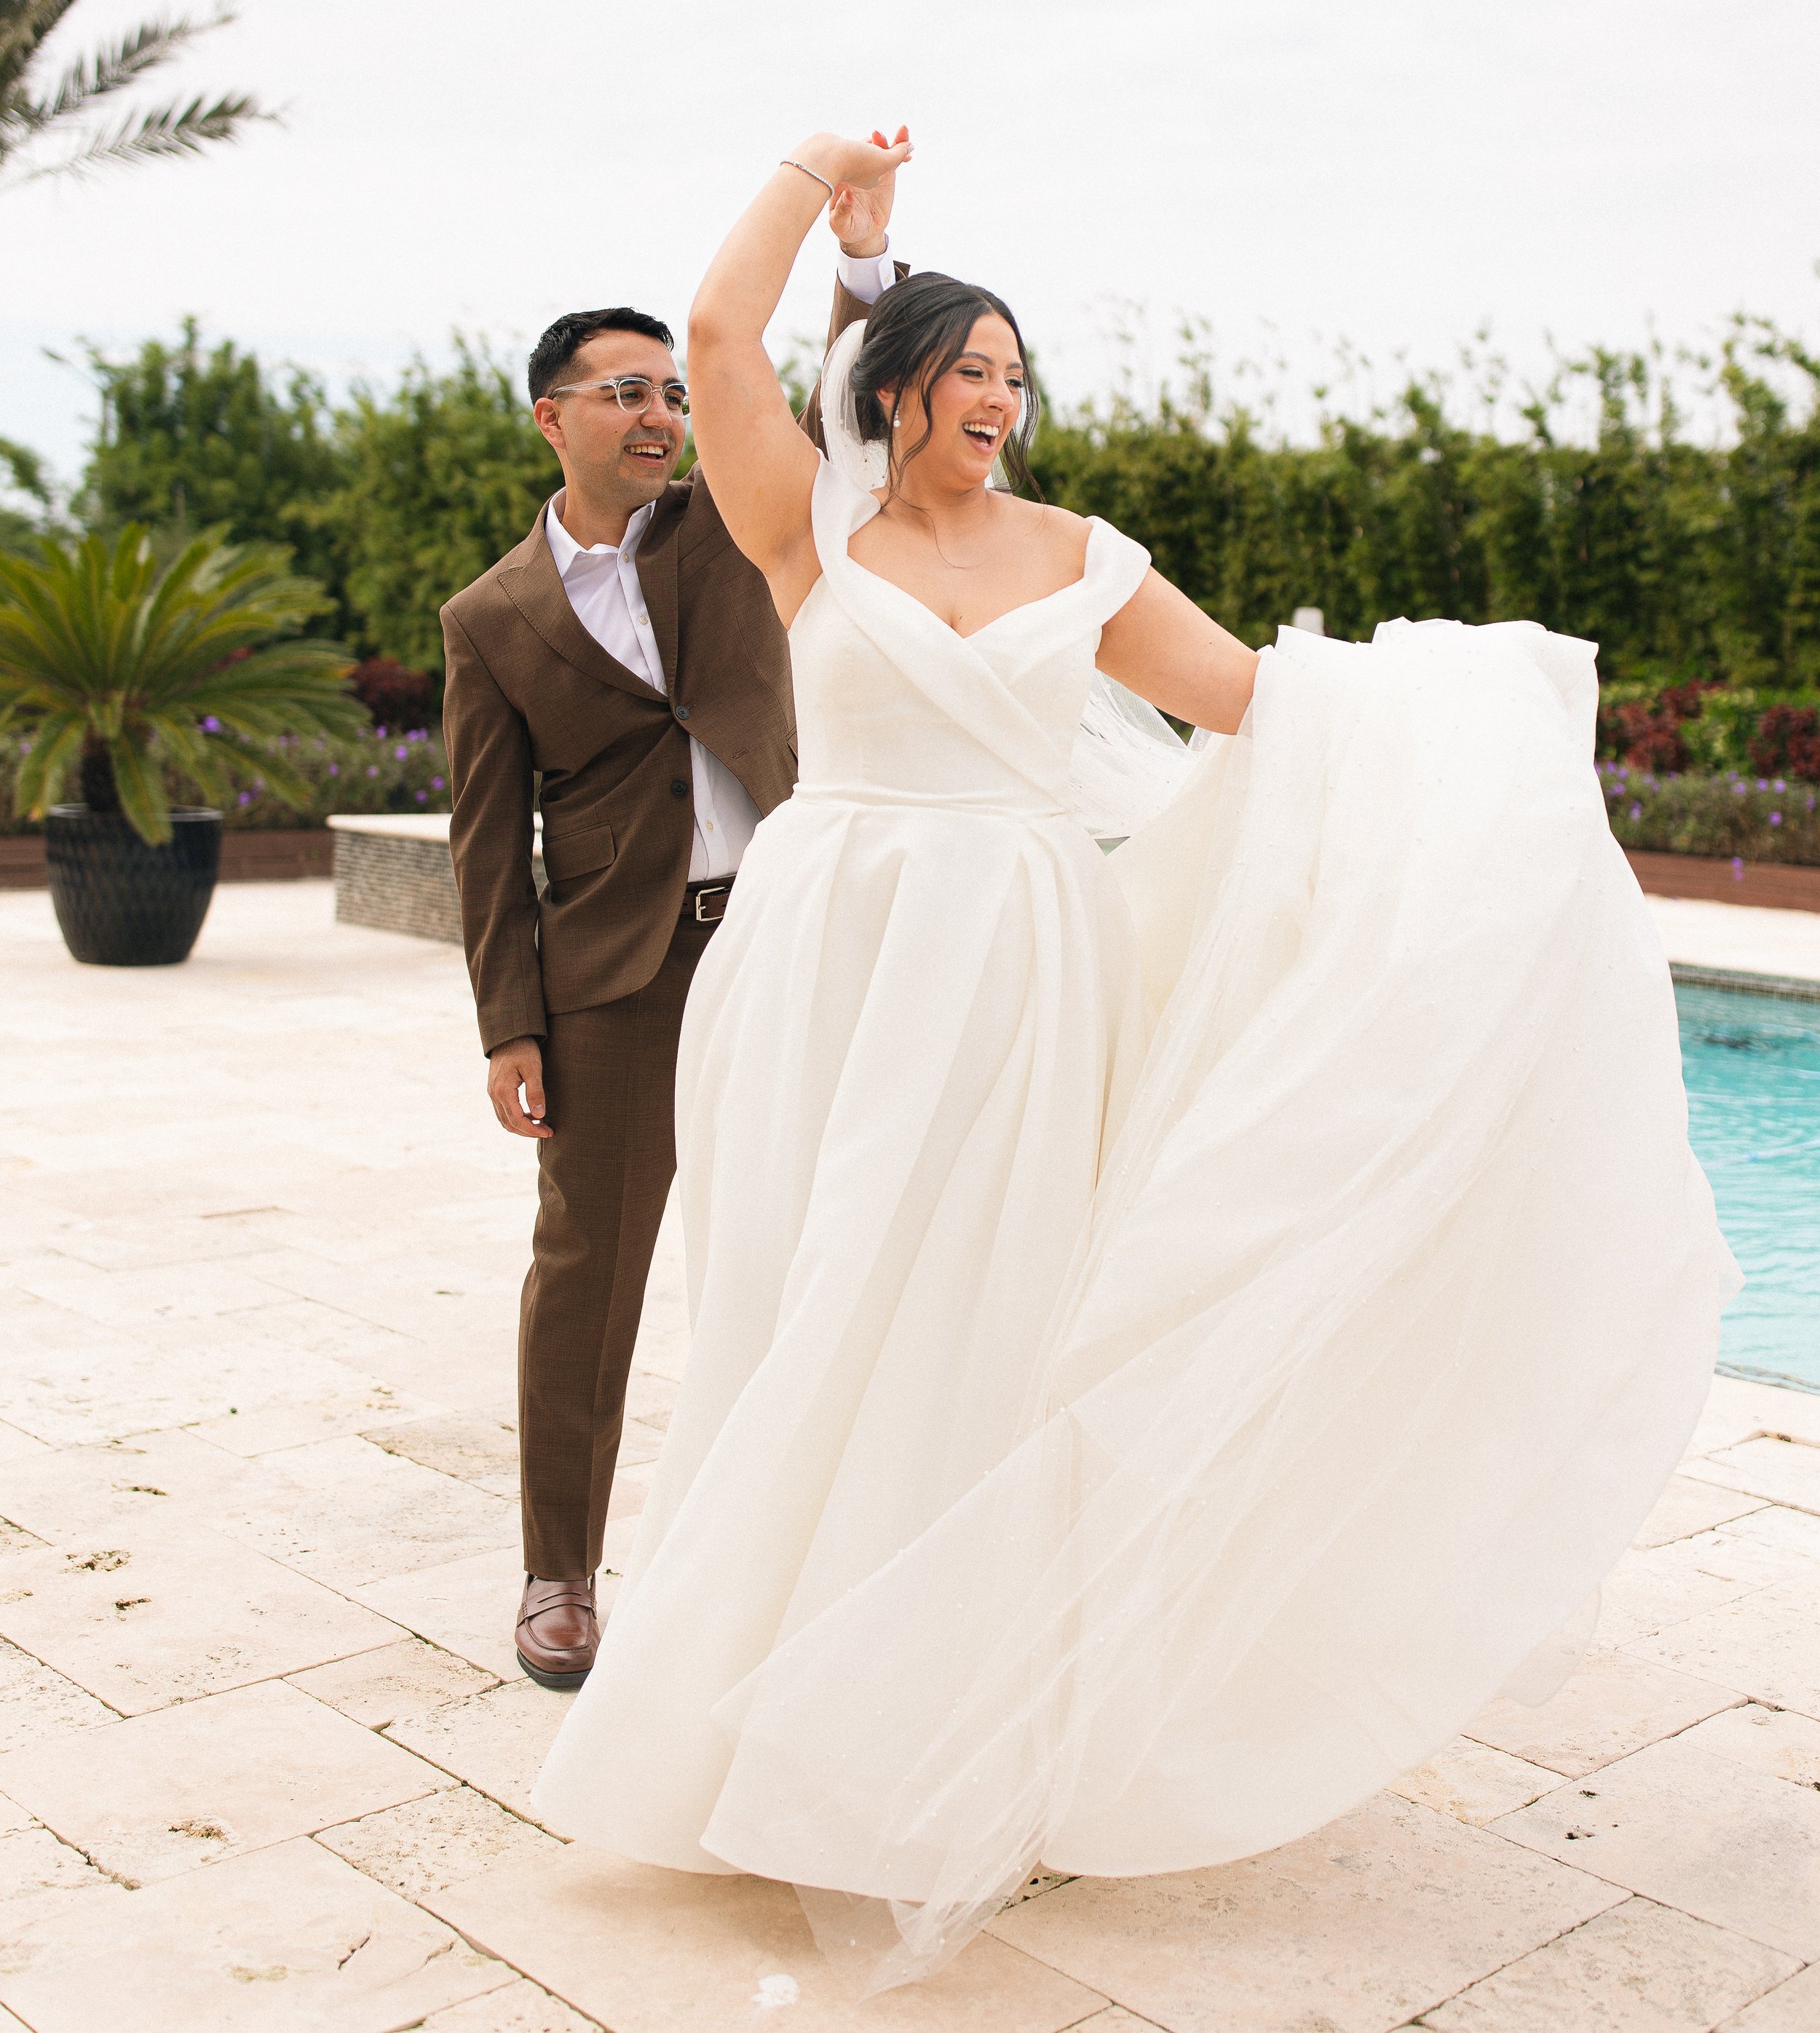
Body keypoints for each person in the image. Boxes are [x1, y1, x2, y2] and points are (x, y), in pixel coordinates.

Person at [533, 130, 1736, 1988]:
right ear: (898, 382)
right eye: (969, 368)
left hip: (1018, 964)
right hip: (822, 957)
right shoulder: (807, 533)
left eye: (1017, 374)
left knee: (975, 1328)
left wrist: (1465, 733)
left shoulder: (1089, 563)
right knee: (802, 1311)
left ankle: (939, 1736)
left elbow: (1265, 707)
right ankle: (740, 1722)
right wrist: (819, 185)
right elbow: (714, 325)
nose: (998, 400)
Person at [439, 142, 906, 1690]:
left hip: (784, 932)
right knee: (589, 1273)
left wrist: (859, 261)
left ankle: (828, 1552)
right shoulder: (491, 618)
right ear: (550, 417)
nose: (657, 415)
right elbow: (485, 838)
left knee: (832, 1237)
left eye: (667, 391)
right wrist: (510, 1020)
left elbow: (851, 421)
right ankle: (558, 1571)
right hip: (617, 978)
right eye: (623, 394)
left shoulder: (731, 520)